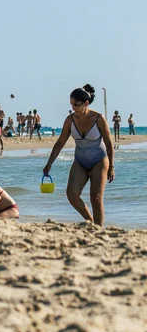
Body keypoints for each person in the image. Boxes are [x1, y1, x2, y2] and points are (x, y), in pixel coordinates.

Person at [43, 84, 115, 226]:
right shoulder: (70, 120)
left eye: (76, 104)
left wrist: (112, 166)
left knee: (96, 197)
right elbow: (60, 143)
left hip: (99, 160)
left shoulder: (98, 118)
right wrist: (49, 163)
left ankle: (99, 230)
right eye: (71, 104)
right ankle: (90, 222)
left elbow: (108, 143)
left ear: (86, 103)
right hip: (80, 161)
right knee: (72, 194)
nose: (73, 107)